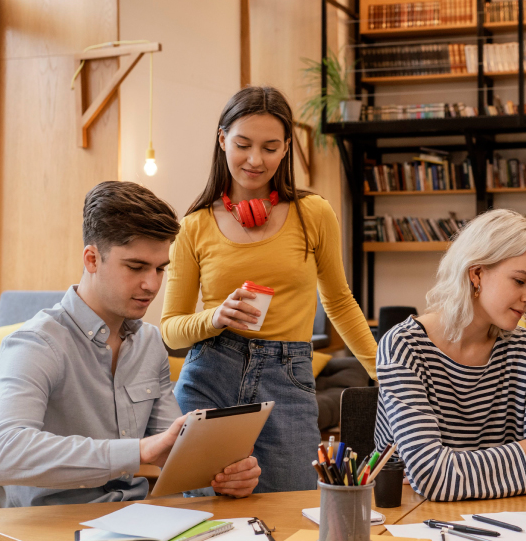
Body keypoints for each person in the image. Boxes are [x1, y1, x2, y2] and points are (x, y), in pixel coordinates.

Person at [0, 181, 261, 541]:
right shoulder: (36, 343)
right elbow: (0, 455)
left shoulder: (148, 343)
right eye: (136, 267)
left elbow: (171, 451)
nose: (152, 284)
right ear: (92, 258)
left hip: (138, 531)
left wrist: (222, 474)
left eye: (161, 268)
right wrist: (139, 451)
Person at [162, 85, 377, 493]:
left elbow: (340, 302)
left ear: (285, 150)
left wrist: (386, 373)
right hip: (210, 374)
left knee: (291, 510)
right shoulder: (194, 227)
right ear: (223, 139)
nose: (255, 160)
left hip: (288, 378)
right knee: (204, 516)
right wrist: (216, 317)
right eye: (243, 144)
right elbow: (170, 328)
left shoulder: (313, 213)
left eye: (270, 147)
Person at [374, 209, 526, 501]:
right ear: (477, 273)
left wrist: (455, 474)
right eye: (520, 281)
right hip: (415, 522)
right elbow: (434, 476)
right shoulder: (404, 346)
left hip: (511, 525)